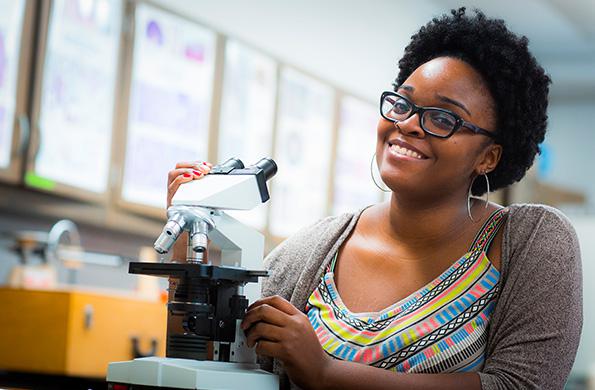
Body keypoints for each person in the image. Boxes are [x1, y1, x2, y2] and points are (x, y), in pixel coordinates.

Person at [167, 8, 582, 390]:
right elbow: (216, 361)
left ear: (489, 156)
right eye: (402, 103)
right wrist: (190, 241)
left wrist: (328, 373)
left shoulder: (530, 242)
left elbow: (519, 386)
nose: (409, 125)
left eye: (442, 117)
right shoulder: (312, 251)